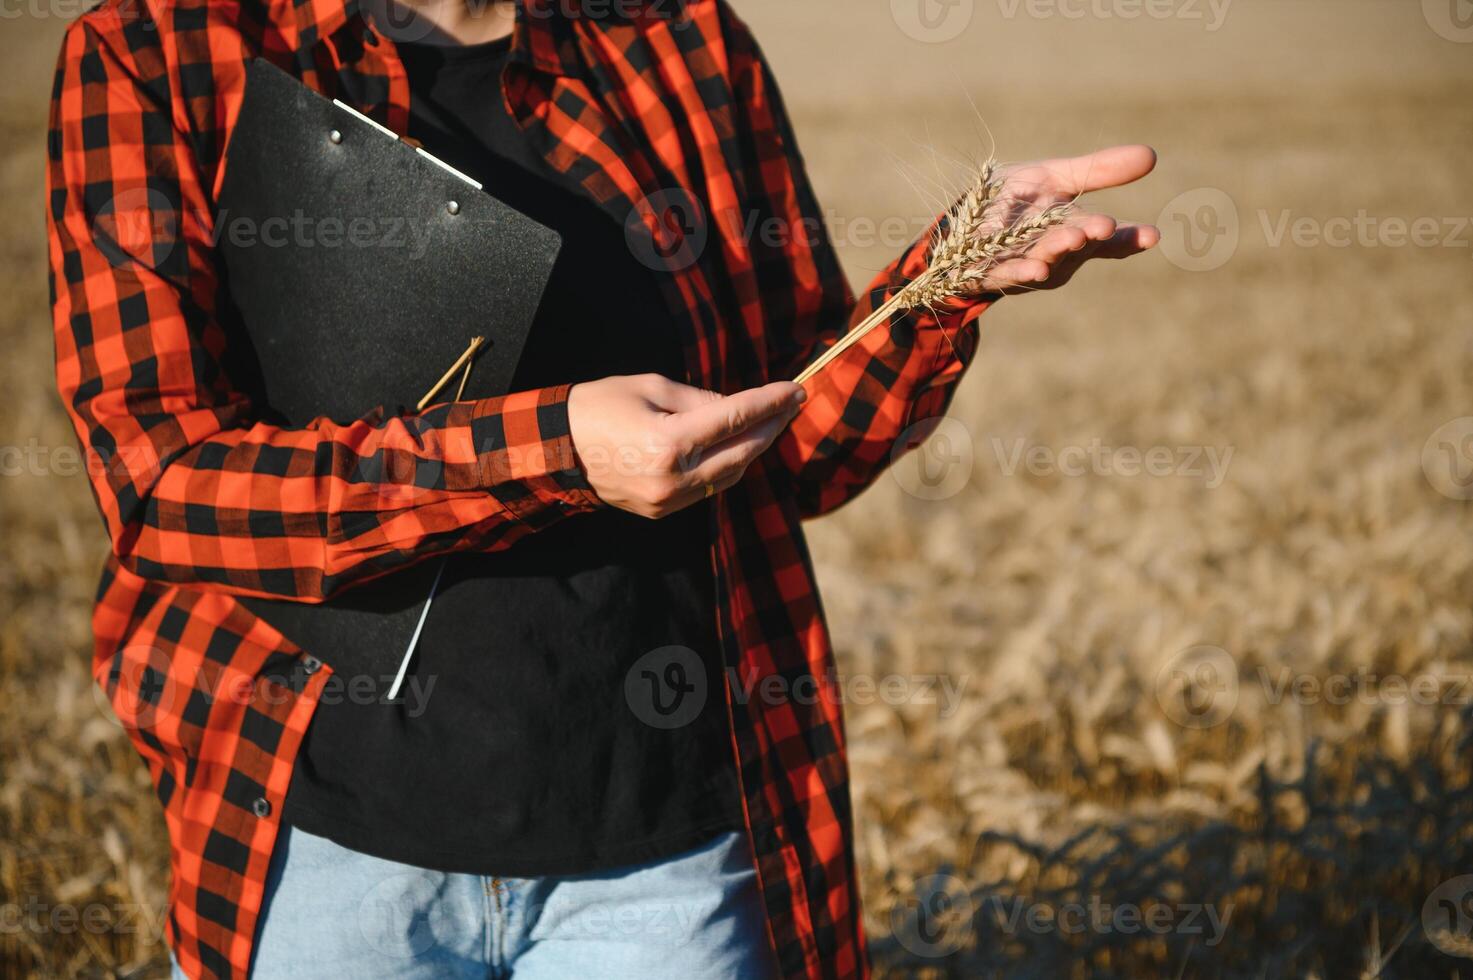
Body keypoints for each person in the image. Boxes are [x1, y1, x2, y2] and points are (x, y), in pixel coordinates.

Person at [45, 0, 1159, 976]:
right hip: (332, 856)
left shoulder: (678, 40)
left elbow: (793, 445)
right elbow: (164, 485)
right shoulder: (162, 53)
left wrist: (938, 290)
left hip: (667, 867)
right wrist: (557, 451)